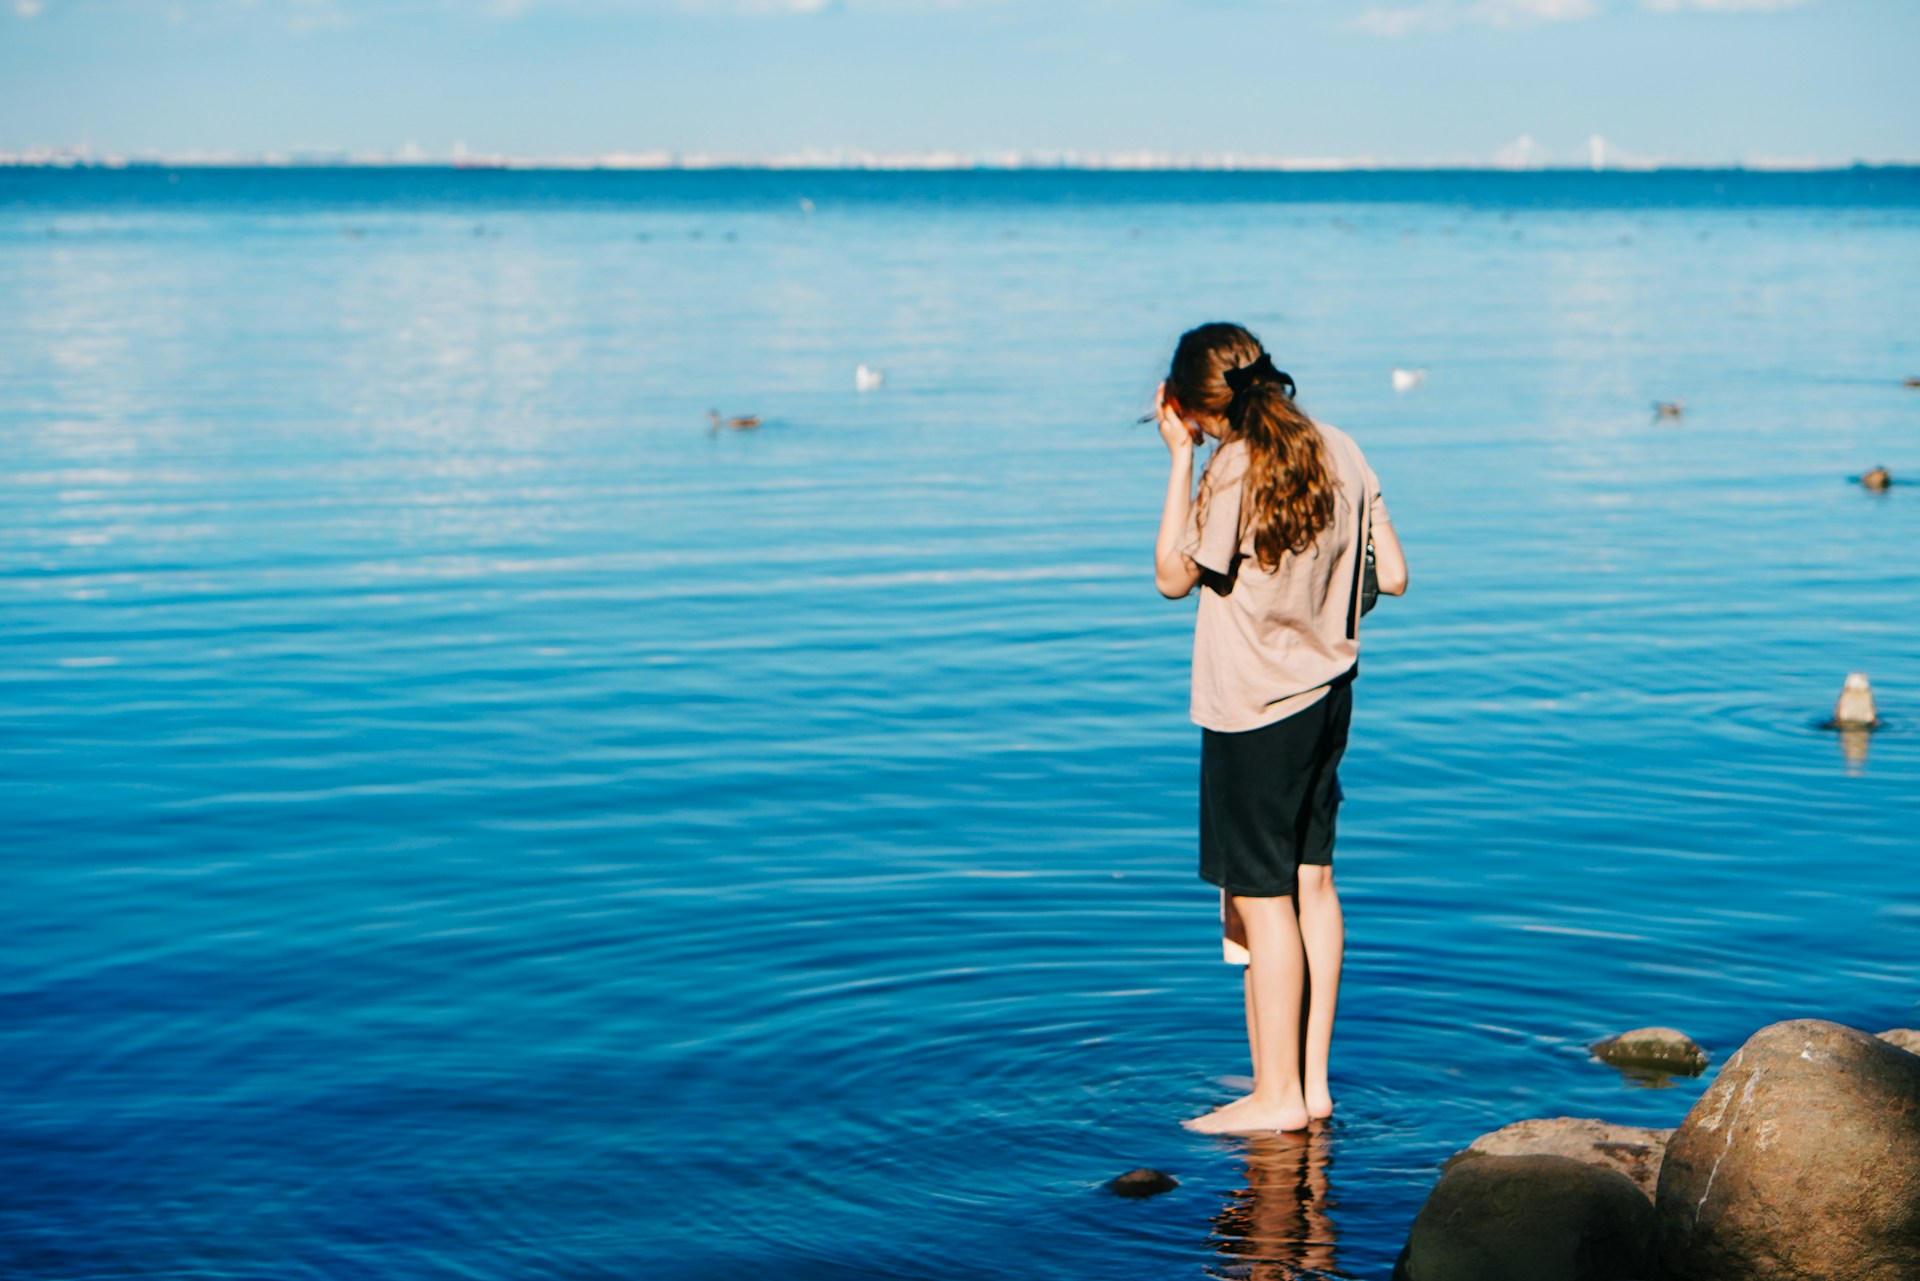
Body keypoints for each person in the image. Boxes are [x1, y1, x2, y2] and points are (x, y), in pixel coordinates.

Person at [1151, 323, 1407, 1134]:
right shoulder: (1339, 446)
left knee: (1262, 901)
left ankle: (1276, 1098)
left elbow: (1170, 577)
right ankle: (1313, 1085)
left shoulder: (1231, 466)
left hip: (1254, 709)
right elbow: (1394, 575)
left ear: (1196, 406)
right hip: (1329, 696)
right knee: (1314, 885)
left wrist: (1177, 457)